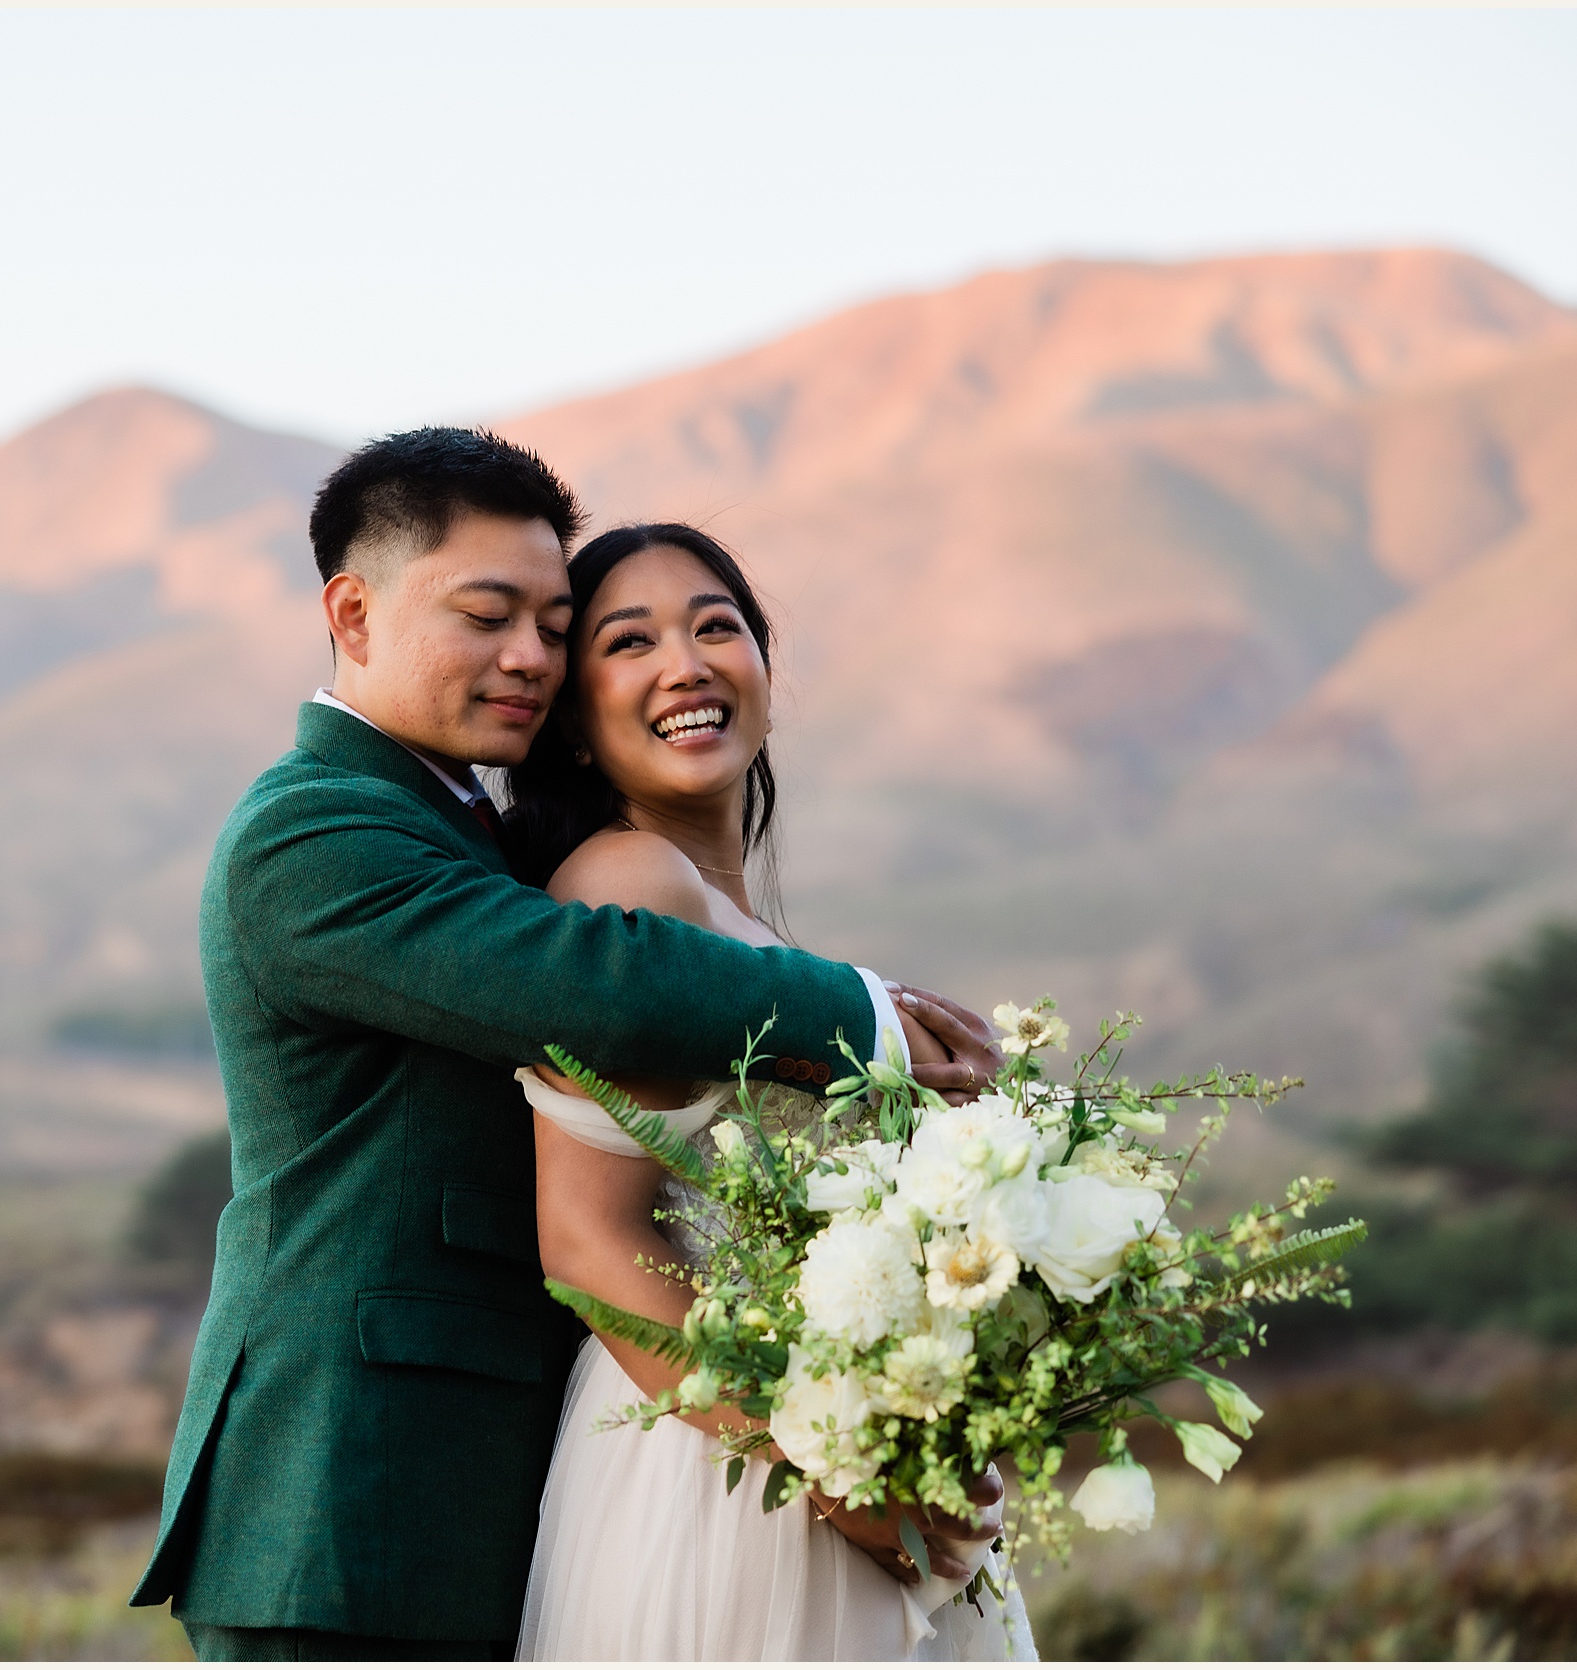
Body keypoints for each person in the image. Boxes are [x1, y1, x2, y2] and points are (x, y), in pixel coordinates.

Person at [129, 430, 1004, 1660]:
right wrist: (863, 1015)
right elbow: (591, 980)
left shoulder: (469, 825)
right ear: (353, 609)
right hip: (353, 1492)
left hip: (507, 1486)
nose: (528, 657)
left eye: (550, 620)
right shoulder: (313, 833)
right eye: (489, 616)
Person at [503, 522, 1036, 1660]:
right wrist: (832, 1476)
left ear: (763, 670)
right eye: (627, 640)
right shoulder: (626, 883)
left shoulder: (744, 927)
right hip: (727, 1478)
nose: (685, 663)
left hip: (836, 1451)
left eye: (715, 626)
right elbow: (587, 1237)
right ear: (574, 722)